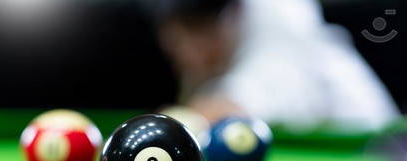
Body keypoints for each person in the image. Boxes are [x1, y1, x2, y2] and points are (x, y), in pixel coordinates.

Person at [151, 0, 400, 133]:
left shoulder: (282, 12)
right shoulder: (209, 30)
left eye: (190, 38)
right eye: (174, 47)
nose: (185, 55)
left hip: (366, 139)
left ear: (224, 20)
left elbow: (247, 103)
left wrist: (180, 123)